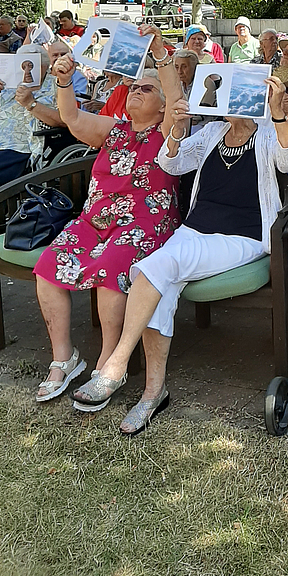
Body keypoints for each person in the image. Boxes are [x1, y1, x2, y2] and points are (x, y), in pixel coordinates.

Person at [69, 27, 288, 434]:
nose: (231, 104)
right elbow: (173, 165)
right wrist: (177, 129)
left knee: (159, 264)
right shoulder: (212, 132)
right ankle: (153, 392)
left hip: (242, 237)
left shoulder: (268, 134)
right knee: (157, 277)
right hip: (194, 232)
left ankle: (116, 363)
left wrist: (279, 112)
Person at [32, 51, 180, 404]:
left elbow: (176, 99)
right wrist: (65, 80)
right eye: (132, 87)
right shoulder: (114, 130)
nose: (136, 90)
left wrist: (160, 54)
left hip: (146, 223)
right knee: (48, 265)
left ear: (161, 106)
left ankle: (109, 362)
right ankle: (64, 359)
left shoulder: (167, 130)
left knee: (111, 268)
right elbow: (70, 116)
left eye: (147, 88)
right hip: (96, 220)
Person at [0, 44, 65, 184]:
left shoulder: (57, 85)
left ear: (45, 66)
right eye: (24, 64)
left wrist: (31, 104)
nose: (29, 69)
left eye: (35, 63)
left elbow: (63, 120)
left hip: (21, 147)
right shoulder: (8, 83)